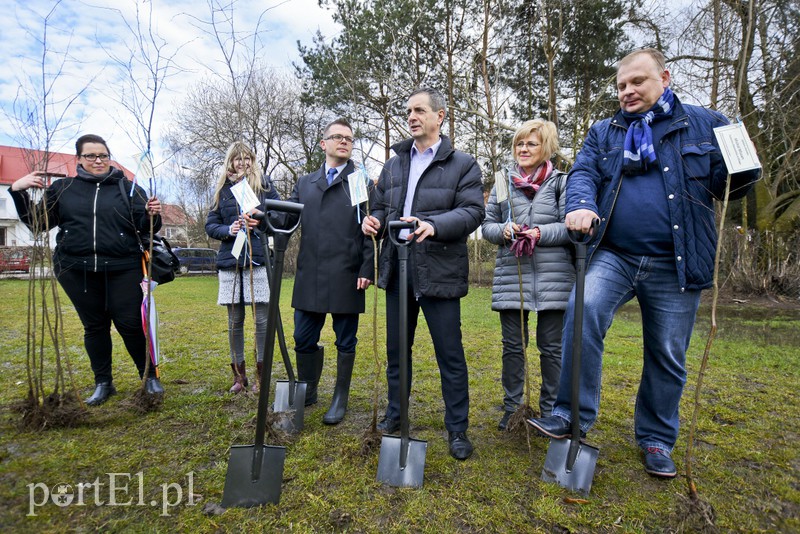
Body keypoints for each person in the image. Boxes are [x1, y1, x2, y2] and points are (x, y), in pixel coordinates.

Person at [526, 49, 760, 477]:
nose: (627, 91)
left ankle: (655, 438)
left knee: (668, 351)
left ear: (664, 78)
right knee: (584, 309)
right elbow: (583, 174)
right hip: (613, 254)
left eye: (637, 82)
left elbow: (735, 185)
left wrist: (744, 166)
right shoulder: (605, 132)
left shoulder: (708, 123)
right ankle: (570, 416)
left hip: (677, 261)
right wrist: (579, 205)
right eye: (621, 85)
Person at [362, 87, 484, 460]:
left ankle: (458, 429)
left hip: (440, 270)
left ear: (440, 116)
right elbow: (382, 206)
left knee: (450, 354)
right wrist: (375, 220)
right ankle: (396, 416)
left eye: (419, 110)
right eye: (408, 111)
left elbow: (472, 212)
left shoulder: (463, 164)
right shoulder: (394, 163)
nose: (412, 116)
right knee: (398, 352)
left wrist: (432, 224)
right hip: (399, 270)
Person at [9, 134, 164, 405]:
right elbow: (38, 224)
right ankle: (103, 383)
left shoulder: (128, 188)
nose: (98, 160)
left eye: (103, 155)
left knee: (129, 324)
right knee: (94, 326)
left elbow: (144, 226)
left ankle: (149, 377)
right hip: (75, 269)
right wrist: (17, 191)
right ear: (79, 159)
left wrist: (153, 214)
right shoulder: (63, 188)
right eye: (91, 155)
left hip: (122, 266)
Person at [482, 119, 574, 431]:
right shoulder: (503, 183)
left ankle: (551, 411)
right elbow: (487, 225)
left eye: (531, 144)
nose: (523, 149)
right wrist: (504, 230)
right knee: (513, 348)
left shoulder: (562, 183)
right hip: (512, 279)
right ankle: (512, 408)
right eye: (519, 144)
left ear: (546, 148)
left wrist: (539, 232)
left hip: (555, 279)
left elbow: (569, 227)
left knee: (551, 350)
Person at [282, 118, 374, 424]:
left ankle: (340, 396)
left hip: (348, 273)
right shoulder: (304, 183)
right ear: (324, 144)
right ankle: (308, 389)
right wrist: (262, 214)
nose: (344, 141)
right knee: (302, 337)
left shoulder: (361, 181)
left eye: (349, 138)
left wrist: (367, 266)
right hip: (310, 274)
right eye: (338, 137)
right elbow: (287, 221)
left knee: (345, 340)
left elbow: (371, 230)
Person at [205, 141, 280, 394]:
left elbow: (280, 217)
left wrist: (260, 217)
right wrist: (230, 229)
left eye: (247, 158)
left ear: (253, 160)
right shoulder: (222, 190)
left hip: (258, 260)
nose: (242, 163)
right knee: (235, 320)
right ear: (230, 162)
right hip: (231, 262)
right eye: (237, 159)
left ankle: (261, 376)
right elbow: (211, 224)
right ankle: (239, 376)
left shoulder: (265, 185)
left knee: (261, 320)